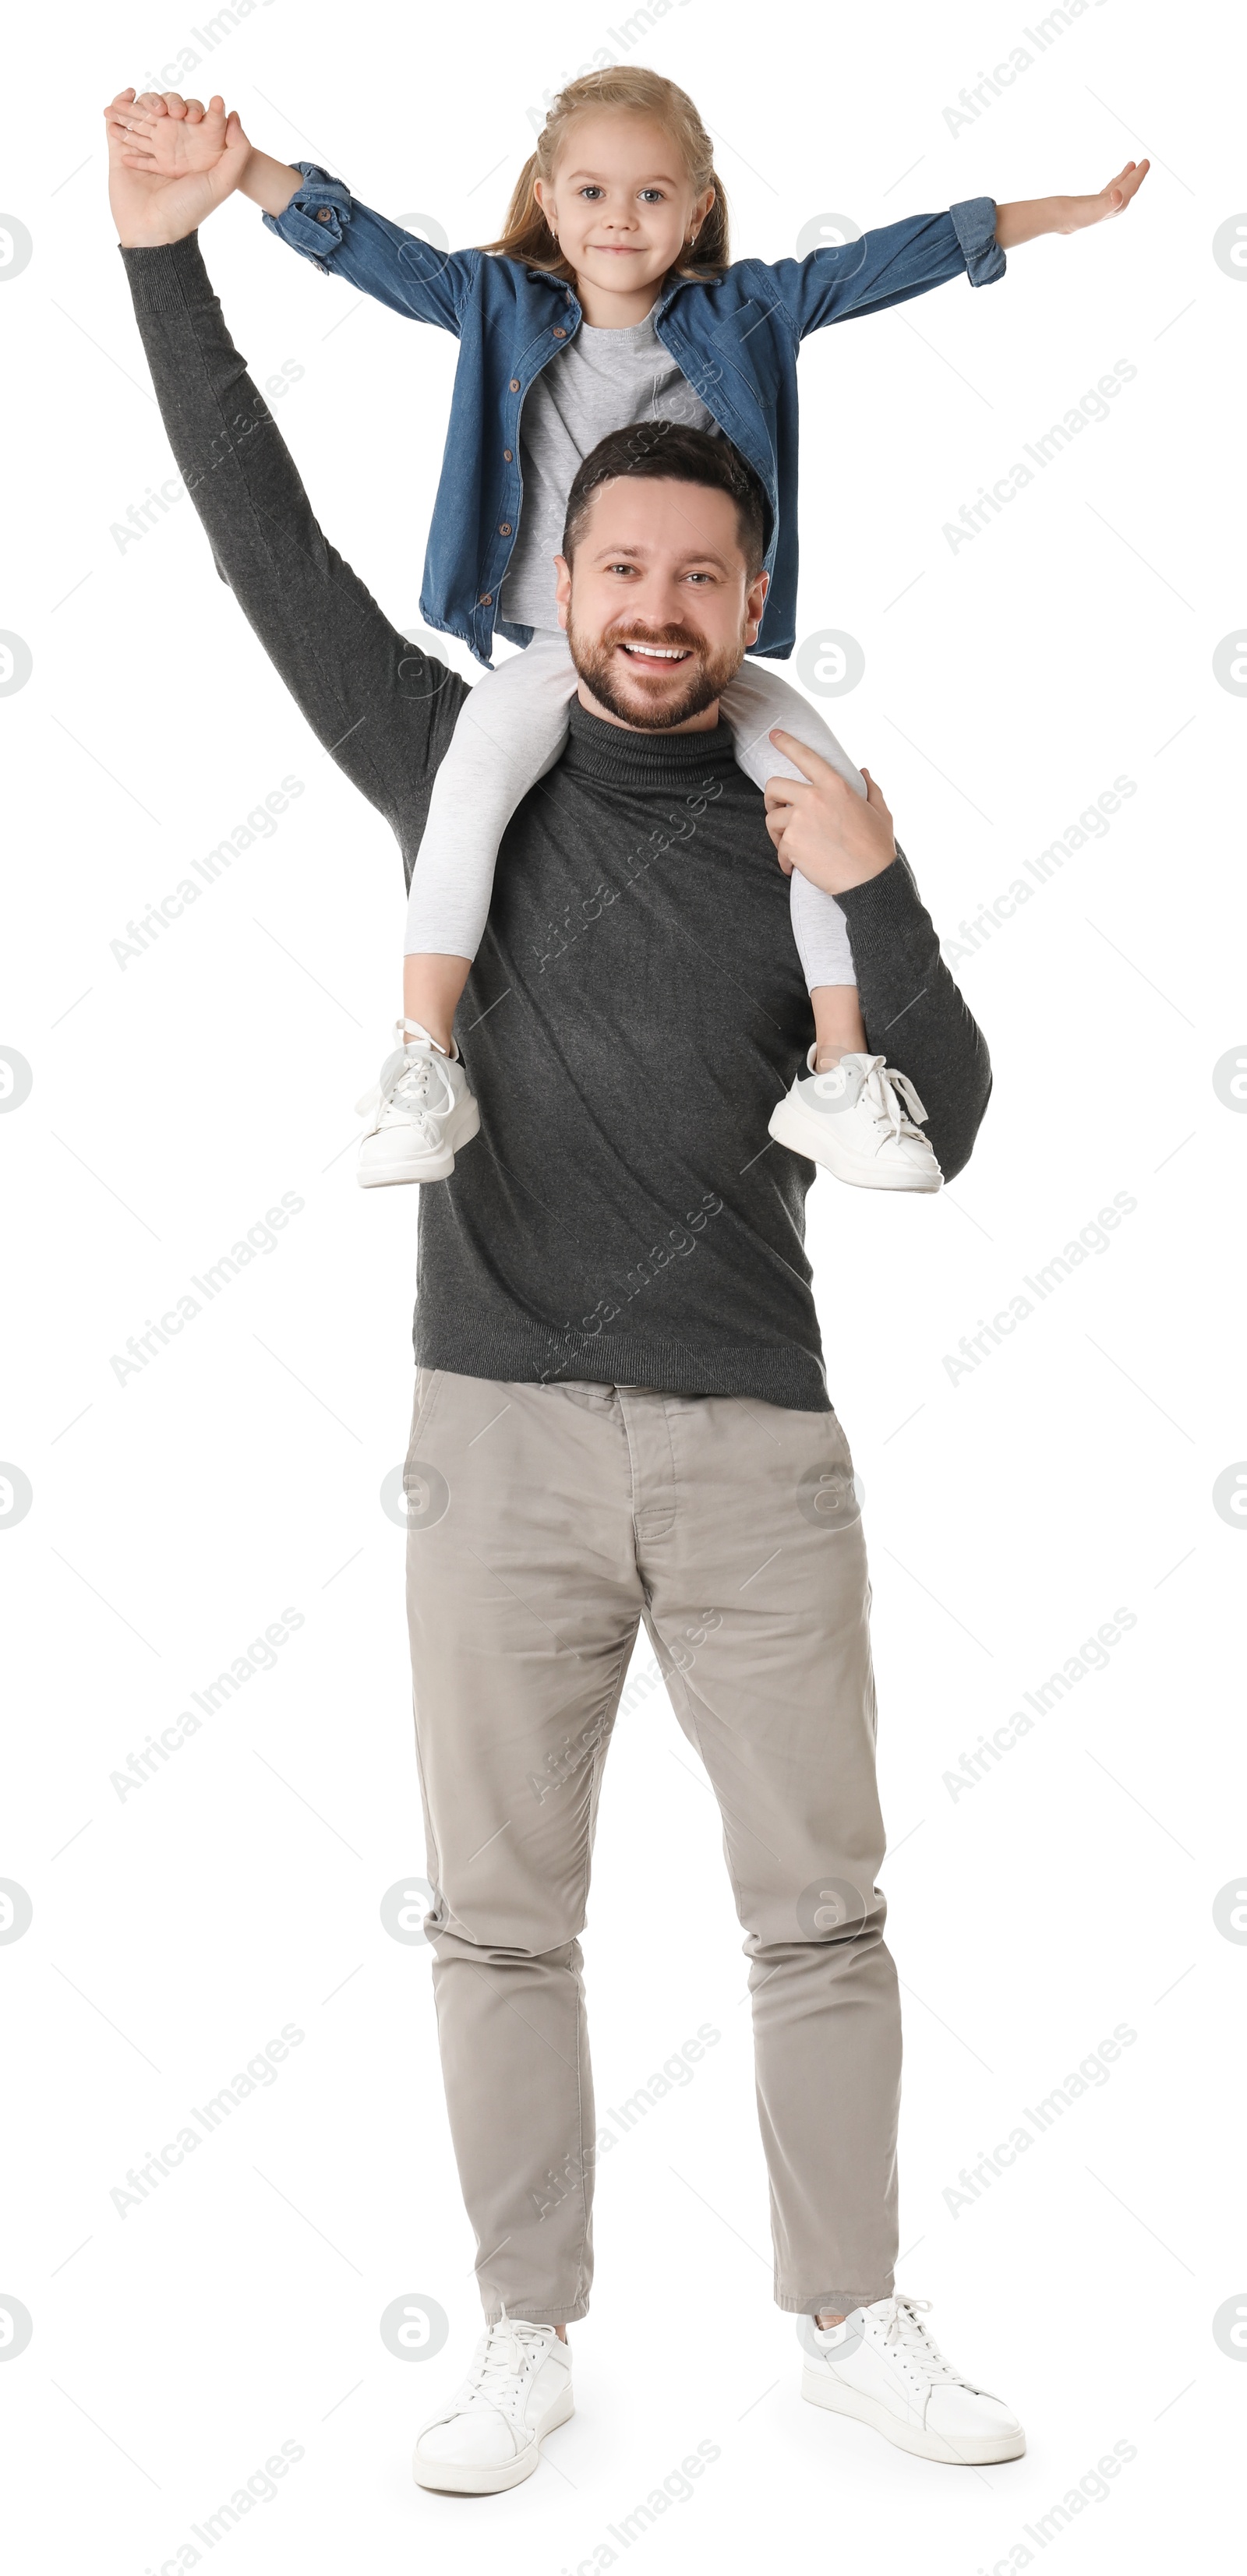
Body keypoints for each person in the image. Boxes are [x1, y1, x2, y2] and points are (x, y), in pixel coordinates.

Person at [106, 104, 1018, 2493]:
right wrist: (160, 262)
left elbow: (961, 1111)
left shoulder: (811, 809)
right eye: (622, 563)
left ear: (748, 595)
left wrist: (892, 891)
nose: (656, 605)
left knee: (820, 1918)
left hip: (757, 1445)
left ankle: (853, 2314)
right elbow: (262, 547)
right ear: (570, 565)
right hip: (493, 1430)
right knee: (501, 1927)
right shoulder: (449, 768)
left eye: (702, 577)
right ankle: (528, 2331)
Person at [108, 69, 1147, 1192]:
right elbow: (369, 253)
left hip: (719, 672)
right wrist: (239, 178)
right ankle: (422, 1056)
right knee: (462, 796)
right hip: (551, 660)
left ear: (697, 208)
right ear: (547, 200)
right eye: (592, 190)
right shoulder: (499, 303)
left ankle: (841, 1072)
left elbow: (889, 260)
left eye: (652, 196)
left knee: (826, 798)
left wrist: (1062, 215)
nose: (619, 218)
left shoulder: (744, 313)